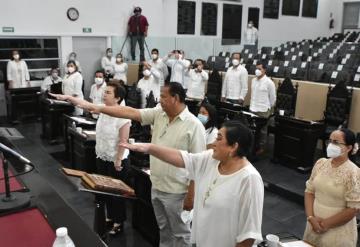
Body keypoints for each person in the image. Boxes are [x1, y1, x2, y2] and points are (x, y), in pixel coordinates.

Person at [52, 82, 206, 247]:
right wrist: (98, 108)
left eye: (163, 96)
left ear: (175, 98)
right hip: (157, 186)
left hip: (178, 192)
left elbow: (199, 165)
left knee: (181, 235)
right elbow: (131, 112)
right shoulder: (159, 113)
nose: (159, 100)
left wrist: (191, 196)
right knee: (164, 230)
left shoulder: (194, 126)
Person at [120, 121, 264, 247]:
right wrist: (149, 148)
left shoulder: (249, 179)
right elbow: (183, 158)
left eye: (219, 138)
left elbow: (248, 235)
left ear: (234, 147)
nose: (213, 143)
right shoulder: (211, 159)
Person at [51, 81, 131, 236]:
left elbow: (123, 141)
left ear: (118, 98)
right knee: (103, 191)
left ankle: (118, 222)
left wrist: (119, 160)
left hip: (117, 161)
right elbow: (85, 104)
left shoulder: (124, 115)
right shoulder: (104, 109)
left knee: (116, 194)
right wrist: (67, 97)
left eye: (108, 93)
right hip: (102, 156)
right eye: (105, 91)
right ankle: (109, 217)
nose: (104, 94)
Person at [303, 128, 360, 247]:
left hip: (337, 230)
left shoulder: (354, 172)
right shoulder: (321, 163)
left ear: (349, 148)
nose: (330, 145)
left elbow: (354, 208)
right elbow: (309, 191)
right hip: (314, 223)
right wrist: (311, 217)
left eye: (336, 142)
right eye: (330, 141)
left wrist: (325, 224)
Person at [249, 62, 276, 153]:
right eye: (256, 68)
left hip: (263, 109)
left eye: (259, 69)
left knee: (262, 130)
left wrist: (269, 108)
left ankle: (261, 148)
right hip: (253, 108)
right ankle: (252, 145)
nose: (257, 71)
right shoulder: (253, 80)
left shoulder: (269, 82)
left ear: (264, 70)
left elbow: (273, 98)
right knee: (252, 128)